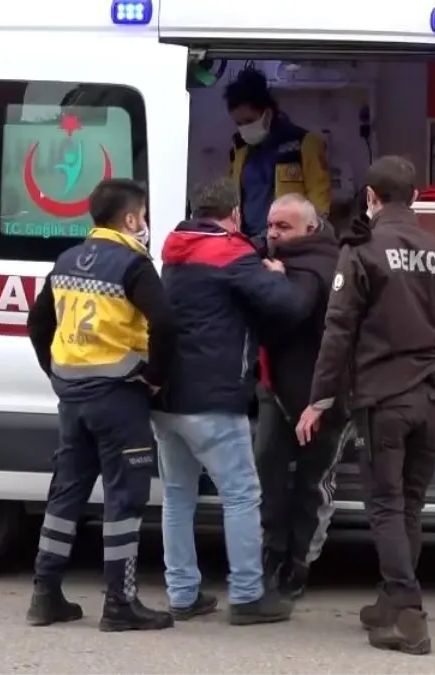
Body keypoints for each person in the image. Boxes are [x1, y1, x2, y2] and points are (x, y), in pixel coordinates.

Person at [295, 156, 435, 656]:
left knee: (386, 506)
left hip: (383, 397)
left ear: (371, 197)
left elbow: (338, 333)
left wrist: (319, 400)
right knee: (410, 505)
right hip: (430, 398)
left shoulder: (363, 251)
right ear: (412, 196)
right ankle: (389, 603)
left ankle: (408, 613)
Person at [154, 176, 305, 626]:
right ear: (235, 213)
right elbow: (288, 305)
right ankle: (246, 594)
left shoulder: (175, 249)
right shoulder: (232, 254)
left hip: (166, 397)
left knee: (178, 498)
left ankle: (182, 594)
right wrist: (276, 273)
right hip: (214, 397)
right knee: (241, 495)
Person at [24, 178, 174, 632]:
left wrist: (55, 372)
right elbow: (166, 322)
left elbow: (37, 321)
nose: (144, 224)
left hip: (73, 393)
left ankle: (44, 595)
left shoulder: (68, 260)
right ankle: (119, 603)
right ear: (130, 219)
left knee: (66, 492)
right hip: (118, 395)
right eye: (142, 216)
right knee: (123, 499)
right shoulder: (134, 264)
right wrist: (155, 378)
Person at [254, 193, 343, 600]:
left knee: (313, 484)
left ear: (310, 229)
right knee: (268, 476)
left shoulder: (318, 268)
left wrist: (273, 282)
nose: (273, 233)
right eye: (271, 225)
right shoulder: (275, 255)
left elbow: (292, 308)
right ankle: (272, 558)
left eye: (282, 227)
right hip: (277, 390)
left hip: (323, 397)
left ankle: (299, 566)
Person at [226, 67, 332, 239]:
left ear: (267, 113)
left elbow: (320, 199)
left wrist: (312, 241)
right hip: (247, 240)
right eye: (239, 123)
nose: (245, 127)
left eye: (249, 121)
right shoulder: (239, 150)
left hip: (289, 240)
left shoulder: (303, 143)